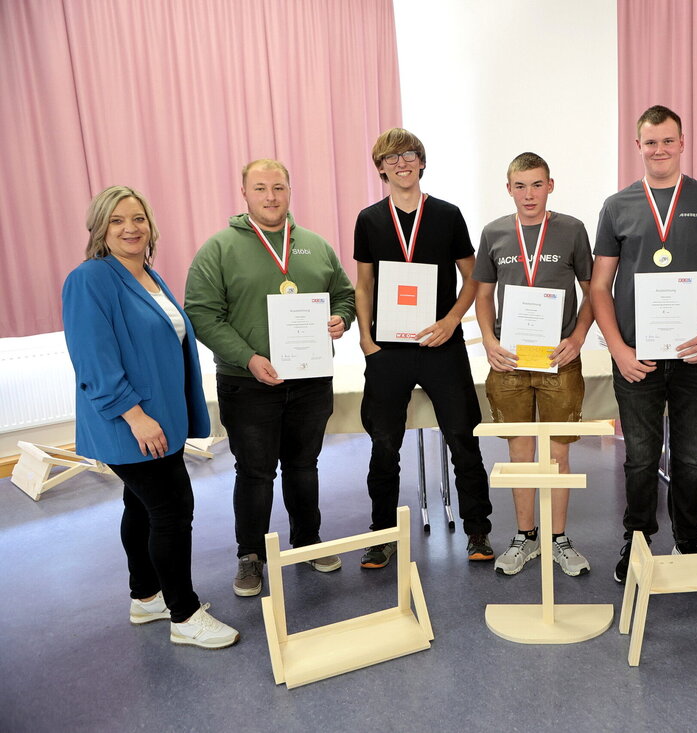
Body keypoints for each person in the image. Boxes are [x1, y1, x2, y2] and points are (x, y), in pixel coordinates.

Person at [62, 185, 238, 649]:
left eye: (137, 218)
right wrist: (135, 416)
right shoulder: (91, 279)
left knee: (141, 505)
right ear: (100, 228)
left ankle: (146, 597)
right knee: (172, 510)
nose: (130, 228)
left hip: (160, 419)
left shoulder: (148, 276)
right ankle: (184, 614)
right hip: (131, 422)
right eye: (117, 220)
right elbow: (94, 359)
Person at [185, 160, 356, 597]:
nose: (271, 196)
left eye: (278, 187)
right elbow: (203, 314)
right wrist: (248, 357)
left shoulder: (315, 246)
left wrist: (340, 318)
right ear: (244, 193)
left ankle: (308, 541)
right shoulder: (218, 249)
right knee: (256, 472)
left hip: (310, 380)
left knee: (304, 466)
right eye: (260, 188)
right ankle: (250, 556)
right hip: (248, 383)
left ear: (289, 191)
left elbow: (344, 293)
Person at [590, 105, 697, 583]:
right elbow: (599, 287)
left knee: (692, 458)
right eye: (650, 142)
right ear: (638, 147)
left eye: (668, 140)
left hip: (696, 355)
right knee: (639, 457)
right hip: (637, 357)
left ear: (682, 142)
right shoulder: (617, 206)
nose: (659, 149)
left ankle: (689, 537)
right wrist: (618, 350)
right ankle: (635, 540)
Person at [353, 128, 494, 566]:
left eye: (409, 155)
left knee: (463, 438)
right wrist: (365, 339)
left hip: (441, 345)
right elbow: (364, 284)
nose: (401, 163)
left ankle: (477, 530)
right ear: (380, 168)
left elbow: (474, 276)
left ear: (422, 161)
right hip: (389, 351)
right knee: (383, 444)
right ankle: (382, 533)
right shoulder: (369, 219)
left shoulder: (448, 215)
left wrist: (453, 320)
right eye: (391, 158)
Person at [473, 152, 595, 576]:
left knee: (558, 452)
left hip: (559, 359)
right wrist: (488, 340)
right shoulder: (493, 234)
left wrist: (578, 338)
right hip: (509, 361)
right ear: (508, 189)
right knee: (520, 451)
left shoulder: (572, 230)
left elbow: (593, 290)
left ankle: (558, 538)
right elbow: (483, 295)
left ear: (551, 185)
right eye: (520, 186)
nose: (529, 194)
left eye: (537, 184)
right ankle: (525, 537)